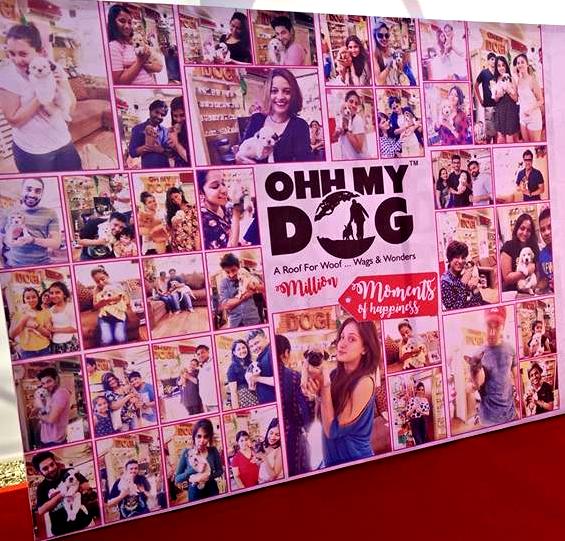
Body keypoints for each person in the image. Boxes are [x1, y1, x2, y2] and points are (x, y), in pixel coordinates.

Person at [0, 24, 82, 173]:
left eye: (23, 54)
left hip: (63, 141)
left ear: (40, 52)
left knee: (76, 180)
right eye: (11, 53)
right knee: (43, 186)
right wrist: (44, 90)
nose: (17, 60)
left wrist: (61, 86)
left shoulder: (54, 68)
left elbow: (72, 107)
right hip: (33, 150)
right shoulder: (7, 76)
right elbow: (14, 120)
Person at [304, 317, 379, 467]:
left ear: (365, 348)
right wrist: (316, 393)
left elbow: (332, 430)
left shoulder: (365, 382)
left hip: (357, 463)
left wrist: (324, 387)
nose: (342, 344)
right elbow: (320, 417)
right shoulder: (334, 375)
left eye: (352, 339)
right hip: (331, 462)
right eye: (342, 337)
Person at [236, 68, 313, 164]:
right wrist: (240, 159)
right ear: (268, 93)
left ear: (294, 95)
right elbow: (240, 154)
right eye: (274, 91)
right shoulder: (256, 120)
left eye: (287, 91)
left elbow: (306, 164)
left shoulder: (300, 126)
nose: (280, 97)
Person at [466, 307, 517, 426]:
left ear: (503, 327)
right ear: (484, 326)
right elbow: (468, 385)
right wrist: (472, 387)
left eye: (497, 326)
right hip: (489, 419)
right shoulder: (477, 355)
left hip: (511, 415)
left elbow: (516, 375)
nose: (492, 332)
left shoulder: (510, 349)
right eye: (489, 326)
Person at [0, 178, 61, 268]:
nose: (32, 194)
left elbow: (56, 243)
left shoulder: (50, 213)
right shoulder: (8, 212)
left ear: (42, 193)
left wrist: (33, 240)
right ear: (22, 190)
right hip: (14, 266)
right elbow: (1, 237)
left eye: (37, 191)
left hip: (43, 264)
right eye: (28, 189)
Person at [275, 334, 313, 476]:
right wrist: (307, 428)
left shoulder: (260, 376)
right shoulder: (294, 376)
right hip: (293, 435)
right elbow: (306, 407)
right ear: (286, 353)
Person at [32, 451, 96, 536]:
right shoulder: (41, 487)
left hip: (86, 524)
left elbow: (86, 485)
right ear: (39, 472)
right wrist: (61, 495)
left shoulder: (70, 472)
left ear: (55, 462)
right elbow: (41, 510)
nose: (50, 469)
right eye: (45, 468)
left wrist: (72, 490)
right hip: (62, 533)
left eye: (52, 464)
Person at [107, 4, 161, 85]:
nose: (127, 26)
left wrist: (149, 63)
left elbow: (155, 67)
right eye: (122, 21)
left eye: (129, 22)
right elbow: (119, 82)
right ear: (112, 22)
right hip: (136, 92)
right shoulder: (113, 46)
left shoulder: (133, 43)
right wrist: (140, 61)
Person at [174, 418, 224, 501]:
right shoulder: (186, 453)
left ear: (209, 437)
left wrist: (208, 477)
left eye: (206, 437)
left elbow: (220, 471)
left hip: (212, 491)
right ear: (194, 436)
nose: (202, 441)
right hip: (195, 494)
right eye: (199, 436)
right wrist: (192, 470)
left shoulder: (213, 451)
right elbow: (177, 479)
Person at [197, 169, 242, 250]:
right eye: (215, 186)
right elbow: (229, 251)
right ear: (201, 192)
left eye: (223, 184)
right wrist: (236, 212)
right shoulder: (203, 219)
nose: (224, 190)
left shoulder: (225, 206)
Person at [218, 253, 262, 327]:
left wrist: (254, 287)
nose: (231, 275)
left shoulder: (247, 275)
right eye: (227, 272)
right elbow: (226, 305)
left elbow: (257, 288)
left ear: (239, 267)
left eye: (233, 270)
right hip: (234, 323)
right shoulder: (223, 283)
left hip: (253, 319)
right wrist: (244, 296)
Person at [441, 240, 486, 310]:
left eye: (463, 258)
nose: (460, 261)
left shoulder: (463, 274)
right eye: (456, 257)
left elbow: (479, 302)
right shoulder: (445, 282)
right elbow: (453, 311)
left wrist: (475, 288)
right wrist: (463, 284)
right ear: (450, 258)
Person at [9, 287, 52, 359]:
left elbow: (48, 334)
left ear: (38, 298)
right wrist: (24, 319)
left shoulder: (45, 312)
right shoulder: (17, 313)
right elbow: (12, 335)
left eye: (34, 297)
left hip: (44, 349)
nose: (31, 300)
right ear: (24, 300)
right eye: (28, 298)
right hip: (27, 351)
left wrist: (36, 326)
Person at [500, 213, 539, 292]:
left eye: (528, 230)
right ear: (517, 228)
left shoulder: (534, 247)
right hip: (512, 291)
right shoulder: (508, 246)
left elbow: (537, 271)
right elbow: (507, 278)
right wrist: (527, 271)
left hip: (531, 289)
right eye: (522, 228)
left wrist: (535, 286)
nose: (525, 233)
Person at [91, 266, 129, 346]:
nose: (101, 283)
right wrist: (107, 301)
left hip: (119, 317)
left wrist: (117, 303)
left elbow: (127, 301)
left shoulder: (117, 286)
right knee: (107, 340)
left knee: (120, 338)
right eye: (97, 282)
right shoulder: (96, 290)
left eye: (103, 279)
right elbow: (95, 306)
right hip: (105, 318)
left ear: (107, 276)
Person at [34, 367, 71, 448]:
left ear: (56, 379)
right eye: (43, 383)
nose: (46, 386)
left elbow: (51, 419)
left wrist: (39, 416)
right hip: (48, 440)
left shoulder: (61, 393)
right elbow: (37, 408)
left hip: (55, 442)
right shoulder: (49, 394)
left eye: (49, 381)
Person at [128, 100, 171, 169]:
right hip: (148, 170)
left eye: (162, 115)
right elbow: (132, 153)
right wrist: (146, 147)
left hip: (165, 169)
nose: (159, 116)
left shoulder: (165, 131)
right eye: (156, 112)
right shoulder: (138, 129)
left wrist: (161, 150)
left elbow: (170, 153)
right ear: (150, 111)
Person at [372, 20, 416, 86]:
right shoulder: (374, 54)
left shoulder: (392, 48)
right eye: (380, 35)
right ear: (375, 36)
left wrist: (401, 63)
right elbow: (379, 82)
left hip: (399, 83)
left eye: (386, 35)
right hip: (388, 88)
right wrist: (390, 65)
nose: (384, 38)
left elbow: (400, 69)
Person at [513, 53, 544, 142]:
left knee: (534, 146)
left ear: (527, 64)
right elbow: (516, 98)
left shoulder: (532, 80)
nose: (520, 65)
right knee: (526, 144)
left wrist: (530, 109)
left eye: (522, 62)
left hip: (533, 117)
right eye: (518, 63)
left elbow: (541, 100)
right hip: (522, 117)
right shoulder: (518, 80)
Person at [333, 90, 368, 159]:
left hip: (358, 160)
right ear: (345, 102)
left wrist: (346, 129)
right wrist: (337, 133)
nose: (353, 105)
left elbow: (359, 149)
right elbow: (334, 138)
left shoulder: (358, 120)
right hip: (346, 158)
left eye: (356, 103)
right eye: (351, 101)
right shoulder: (341, 118)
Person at [493, 56, 519, 144]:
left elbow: (516, 98)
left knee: (509, 139)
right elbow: (495, 100)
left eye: (503, 65)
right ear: (496, 67)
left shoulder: (511, 78)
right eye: (499, 65)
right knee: (500, 139)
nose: (501, 68)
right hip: (500, 112)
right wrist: (498, 96)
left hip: (510, 111)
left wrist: (508, 90)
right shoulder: (495, 80)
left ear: (506, 66)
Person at [165, 187, 200, 252]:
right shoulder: (172, 212)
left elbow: (197, 227)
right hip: (178, 245)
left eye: (176, 196)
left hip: (191, 243)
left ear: (180, 193)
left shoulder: (192, 207)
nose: (175, 200)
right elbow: (170, 231)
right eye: (172, 200)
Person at [48, 281, 79, 354]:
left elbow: (75, 328)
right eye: (51, 293)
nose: (54, 295)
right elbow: (50, 326)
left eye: (57, 292)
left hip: (69, 342)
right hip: (55, 344)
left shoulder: (71, 307)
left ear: (64, 295)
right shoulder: (50, 310)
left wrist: (55, 329)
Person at [227, 339, 258, 409]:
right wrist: (236, 409)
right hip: (244, 400)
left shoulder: (252, 363)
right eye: (239, 349)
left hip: (257, 396)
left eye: (243, 347)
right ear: (234, 353)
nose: (242, 350)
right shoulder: (232, 368)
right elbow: (233, 392)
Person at [473, 52, 497, 144]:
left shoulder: (497, 73)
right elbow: (476, 85)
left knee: (496, 131)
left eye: (495, 59)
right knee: (489, 131)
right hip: (488, 105)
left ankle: (495, 147)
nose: (493, 61)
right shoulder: (484, 73)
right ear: (488, 61)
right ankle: (488, 146)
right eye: (492, 59)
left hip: (498, 105)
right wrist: (480, 100)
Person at [247, 328, 276, 404]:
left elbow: (279, 380)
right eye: (251, 346)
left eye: (257, 343)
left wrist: (256, 378)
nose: (255, 348)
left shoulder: (271, 353)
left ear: (265, 337)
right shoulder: (261, 357)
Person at [258, 418, 283, 483]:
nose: (272, 437)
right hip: (260, 482)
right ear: (268, 431)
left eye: (277, 435)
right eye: (271, 433)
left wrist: (264, 457)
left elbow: (273, 476)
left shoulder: (280, 450)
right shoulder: (263, 444)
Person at [167, 96, 190, 167]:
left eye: (182, 115)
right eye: (175, 116)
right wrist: (172, 146)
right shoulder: (174, 129)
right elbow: (173, 155)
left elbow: (189, 159)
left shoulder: (193, 131)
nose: (178, 120)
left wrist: (176, 142)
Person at [195, 344, 218, 412]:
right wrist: (204, 403)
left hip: (215, 403)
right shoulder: (202, 366)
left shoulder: (214, 363)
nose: (200, 355)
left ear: (208, 352)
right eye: (198, 354)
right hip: (206, 403)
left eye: (202, 352)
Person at [536, 208, 553, 294]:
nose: (546, 233)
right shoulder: (541, 255)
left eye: (550, 227)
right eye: (542, 230)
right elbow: (543, 280)